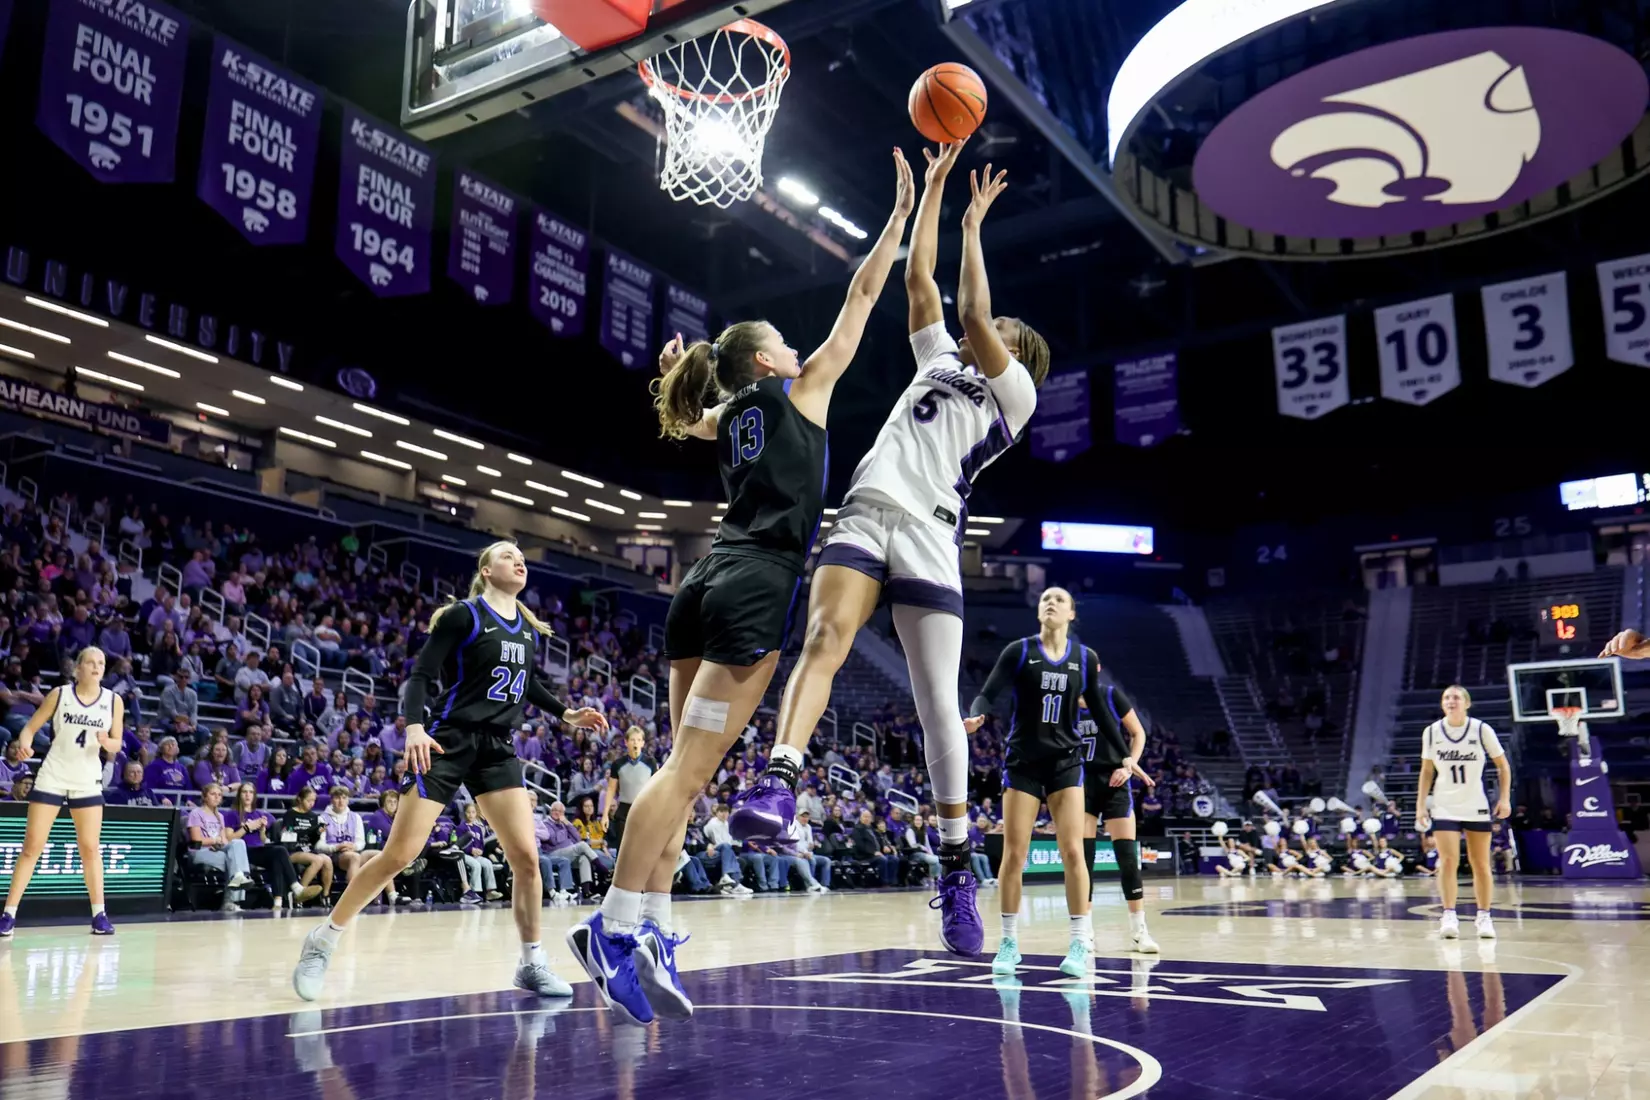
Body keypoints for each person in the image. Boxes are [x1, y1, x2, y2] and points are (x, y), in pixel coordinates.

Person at [568, 149, 917, 1027]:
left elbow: (687, 418)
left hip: (701, 585)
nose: (802, 349)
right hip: (754, 586)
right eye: (785, 345)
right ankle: (609, 926)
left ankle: (648, 925)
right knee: (685, 774)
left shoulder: (737, 413)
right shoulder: (797, 391)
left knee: (687, 773)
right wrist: (901, 214)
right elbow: (865, 300)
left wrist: (689, 371)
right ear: (767, 357)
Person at [731, 143, 1050, 963]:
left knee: (937, 702)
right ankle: (780, 777)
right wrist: (938, 190)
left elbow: (978, 314)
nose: (995, 329)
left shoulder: (1014, 393)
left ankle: (953, 866)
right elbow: (920, 284)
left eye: (1009, 332)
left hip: (934, 534)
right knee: (825, 639)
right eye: (997, 328)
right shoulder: (939, 360)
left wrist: (978, 227)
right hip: (870, 506)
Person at [293, 540, 607, 1001]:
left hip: (496, 747)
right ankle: (323, 941)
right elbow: (421, 675)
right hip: (446, 739)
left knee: (526, 858)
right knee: (399, 854)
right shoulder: (464, 615)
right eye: (506, 555)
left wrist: (566, 714)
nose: (518, 560)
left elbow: (526, 682)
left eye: (521, 556)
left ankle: (532, 963)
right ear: (486, 569)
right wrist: (415, 727)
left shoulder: (527, 629)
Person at [966, 589, 1147, 978]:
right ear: (1038, 611)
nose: (1051, 602)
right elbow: (987, 694)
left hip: (1066, 763)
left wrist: (1126, 758)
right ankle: (1009, 943)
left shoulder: (1085, 659)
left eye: (1059, 599)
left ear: (1071, 613)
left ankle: (1080, 943)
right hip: (1023, 763)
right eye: (1045, 598)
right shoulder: (1019, 650)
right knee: (1014, 855)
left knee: (1073, 853)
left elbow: (1101, 713)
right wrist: (976, 715)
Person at [0, 647, 123, 936]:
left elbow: (118, 743)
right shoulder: (60, 694)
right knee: (32, 847)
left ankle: (99, 915)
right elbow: (29, 729)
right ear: (78, 668)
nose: (96, 667)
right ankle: (8, 914)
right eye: (90, 662)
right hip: (53, 774)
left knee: (91, 848)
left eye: (101, 663)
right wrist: (25, 743)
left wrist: (108, 743)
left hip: (87, 778)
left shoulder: (113, 701)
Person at [1416, 685, 1511, 940]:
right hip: (1444, 803)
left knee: (1480, 863)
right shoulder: (1432, 731)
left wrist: (1504, 799)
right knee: (1448, 861)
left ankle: (1484, 917)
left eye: (1456, 697)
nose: (1451, 701)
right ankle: (1448, 914)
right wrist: (1420, 805)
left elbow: (1503, 766)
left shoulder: (1481, 729)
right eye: (1446, 697)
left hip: (1475, 803)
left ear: (1467, 703)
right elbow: (1427, 772)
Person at [225, 781, 302, 909]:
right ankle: (296, 887)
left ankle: (278, 902)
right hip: (243, 851)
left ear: (254, 796)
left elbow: (263, 839)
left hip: (260, 849)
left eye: (251, 792)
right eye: (244, 792)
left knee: (278, 857)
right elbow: (229, 839)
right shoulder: (232, 814)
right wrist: (246, 827)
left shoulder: (261, 814)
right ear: (239, 795)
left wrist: (262, 831)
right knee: (279, 851)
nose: (248, 795)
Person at [187, 783, 254, 912]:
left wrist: (219, 845)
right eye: (213, 794)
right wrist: (213, 841)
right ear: (205, 797)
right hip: (199, 851)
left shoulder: (220, 816)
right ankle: (230, 901)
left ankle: (240, 876)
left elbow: (224, 840)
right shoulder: (196, 813)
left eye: (219, 795)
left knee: (238, 843)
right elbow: (195, 839)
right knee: (233, 861)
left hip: (216, 850)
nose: (217, 797)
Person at [603, 726, 657, 855]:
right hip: (624, 811)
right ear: (626, 742)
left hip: (645, 811)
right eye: (632, 740)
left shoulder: (651, 762)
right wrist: (605, 814)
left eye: (639, 740)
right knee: (623, 851)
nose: (636, 743)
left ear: (643, 743)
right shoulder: (618, 764)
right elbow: (611, 789)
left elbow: (656, 789)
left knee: (644, 851)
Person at [280, 785, 331, 904]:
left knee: (327, 860)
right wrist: (308, 832)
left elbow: (312, 840)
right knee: (318, 860)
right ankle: (299, 894)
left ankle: (325, 895)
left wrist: (318, 833)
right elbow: (288, 834)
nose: (311, 804)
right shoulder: (290, 814)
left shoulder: (313, 817)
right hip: (292, 850)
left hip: (308, 849)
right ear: (300, 799)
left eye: (313, 800)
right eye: (309, 800)